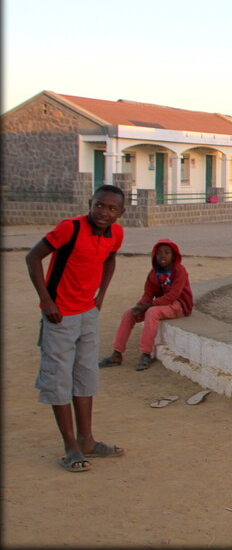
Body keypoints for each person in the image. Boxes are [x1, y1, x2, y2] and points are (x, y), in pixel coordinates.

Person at [25, 184, 127, 473]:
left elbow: (110, 259)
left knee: (85, 375)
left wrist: (100, 297)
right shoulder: (69, 228)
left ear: (121, 212)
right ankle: (70, 446)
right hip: (59, 316)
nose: (103, 212)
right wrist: (46, 301)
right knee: (58, 379)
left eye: (111, 208)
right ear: (90, 203)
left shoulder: (116, 234)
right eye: (99, 205)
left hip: (87, 314)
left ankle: (88, 441)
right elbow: (32, 258)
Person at [99, 238, 194, 371]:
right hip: (160, 304)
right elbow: (148, 293)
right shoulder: (154, 273)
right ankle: (117, 353)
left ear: (173, 257)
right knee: (128, 314)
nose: (163, 256)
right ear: (154, 255)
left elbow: (173, 295)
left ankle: (145, 353)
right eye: (159, 253)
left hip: (179, 305)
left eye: (167, 253)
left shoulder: (179, 271)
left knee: (152, 312)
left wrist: (150, 305)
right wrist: (140, 305)